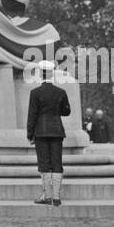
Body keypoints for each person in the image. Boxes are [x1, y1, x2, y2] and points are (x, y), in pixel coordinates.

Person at [27, 61, 71, 206]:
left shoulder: (35, 93)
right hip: (57, 131)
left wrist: (30, 134)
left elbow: (32, 115)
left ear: (41, 73)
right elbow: (67, 111)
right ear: (52, 74)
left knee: (44, 163)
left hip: (41, 131)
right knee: (57, 163)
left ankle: (47, 196)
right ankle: (57, 197)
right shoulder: (61, 92)